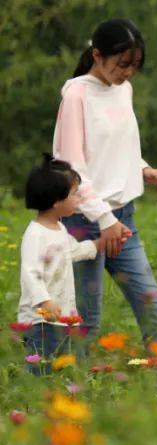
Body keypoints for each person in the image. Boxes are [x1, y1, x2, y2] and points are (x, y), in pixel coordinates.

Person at [53, 17, 157, 348]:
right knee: (85, 322)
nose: (128, 72)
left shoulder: (124, 89)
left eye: (134, 65)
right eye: (122, 64)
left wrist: (142, 168)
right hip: (84, 222)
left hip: (122, 220)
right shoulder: (76, 96)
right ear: (97, 56)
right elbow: (72, 168)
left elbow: (117, 145)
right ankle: (66, 391)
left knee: (154, 312)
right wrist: (104, 220)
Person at [18, 156, 103, 374]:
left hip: (63, 318)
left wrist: (98, 244)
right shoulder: (36, 234)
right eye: (74, 193)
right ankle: (35, 404)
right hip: (41, 321)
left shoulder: (60, 229)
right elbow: (30, 272)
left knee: (61, 368)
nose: (78, 199)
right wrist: (44, 300)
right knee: (40, 369)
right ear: (56, 200)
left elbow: (72, 251)